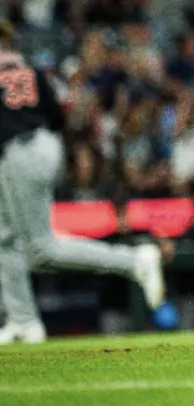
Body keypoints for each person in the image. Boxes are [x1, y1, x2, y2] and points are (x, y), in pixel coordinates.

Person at [0, 27, 165, 344]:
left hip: (18, 151)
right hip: (40, 145)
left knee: (40, 250)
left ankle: (134, 261)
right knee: (4, 238)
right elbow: (58, 117)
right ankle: (23, 321)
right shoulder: (28, 68)